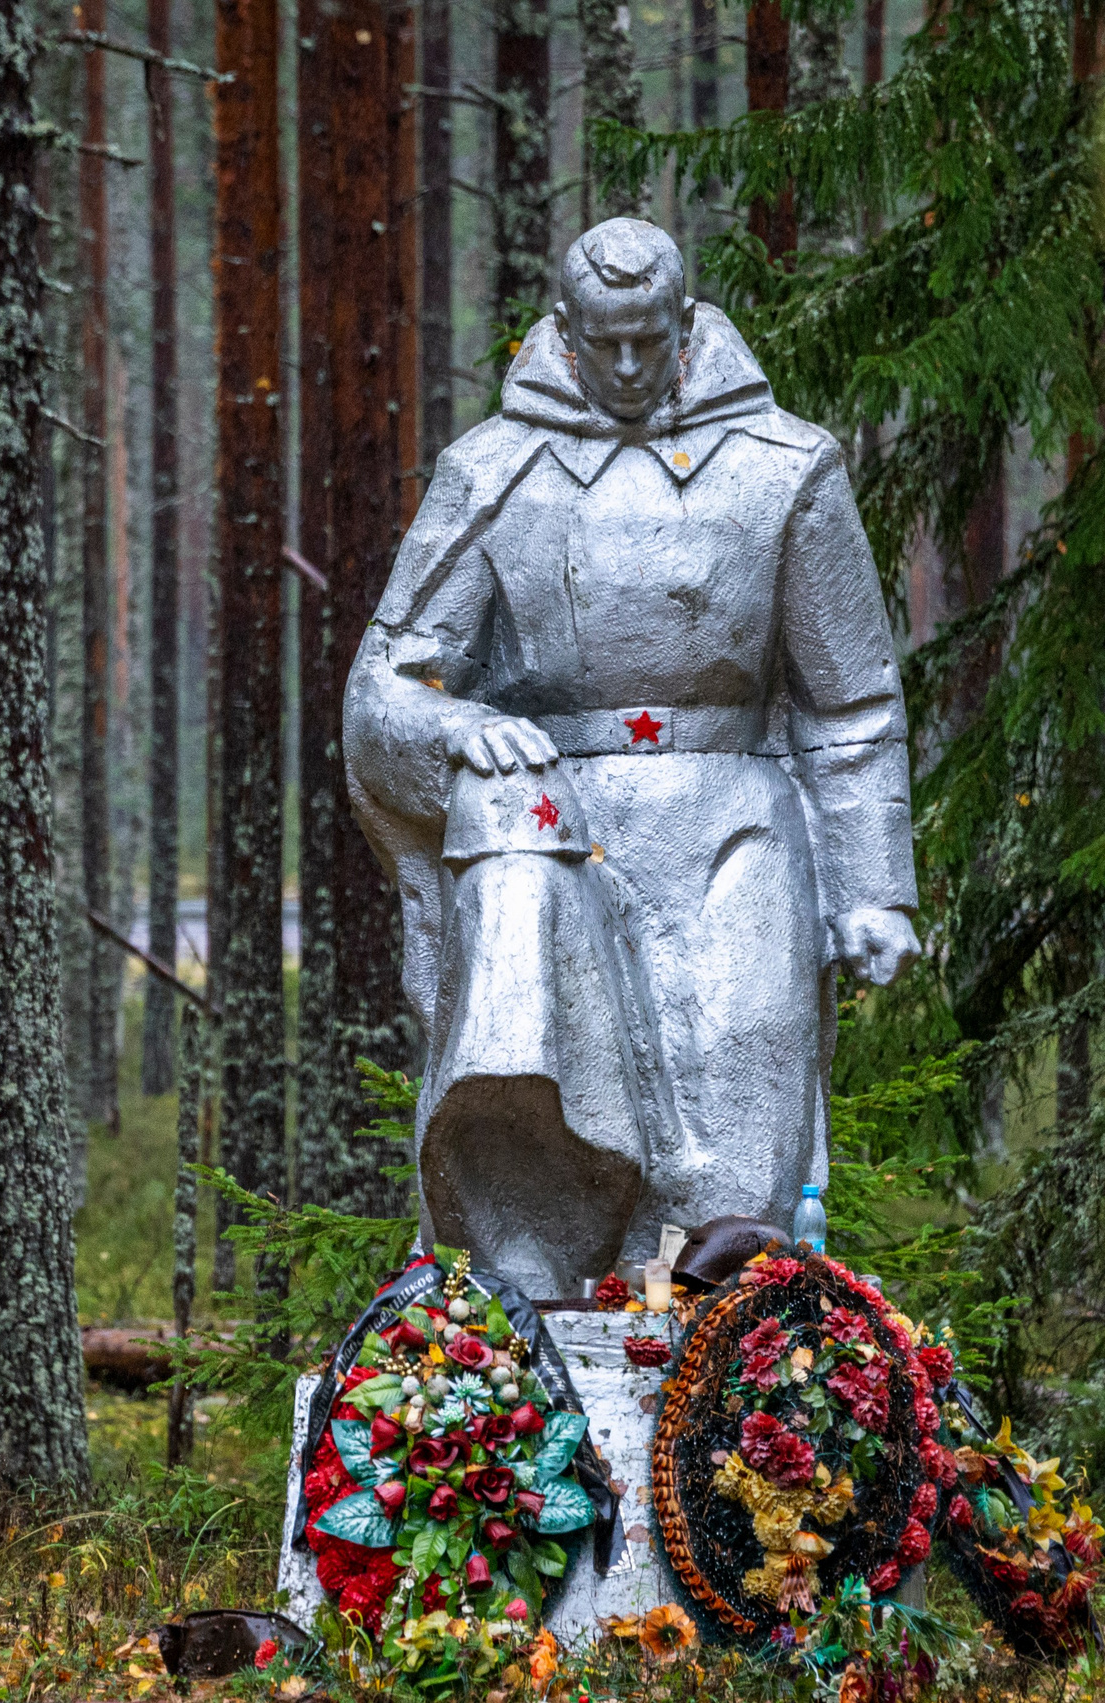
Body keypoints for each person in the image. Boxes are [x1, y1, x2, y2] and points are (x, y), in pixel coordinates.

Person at [344, 218, 921, 1298]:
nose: (623, 367)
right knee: (544, 1107)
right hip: (555, 832)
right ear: (563, 331)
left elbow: (848, 702)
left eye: (646, 341)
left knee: (737, 1131)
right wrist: (454, 727)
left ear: (684, 324)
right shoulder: (495, 472)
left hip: (734, 824)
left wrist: (873, 889)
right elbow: (388, 684)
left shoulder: (784, 467)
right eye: (601, 343)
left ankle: (742, 1369)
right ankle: (526, 1325)